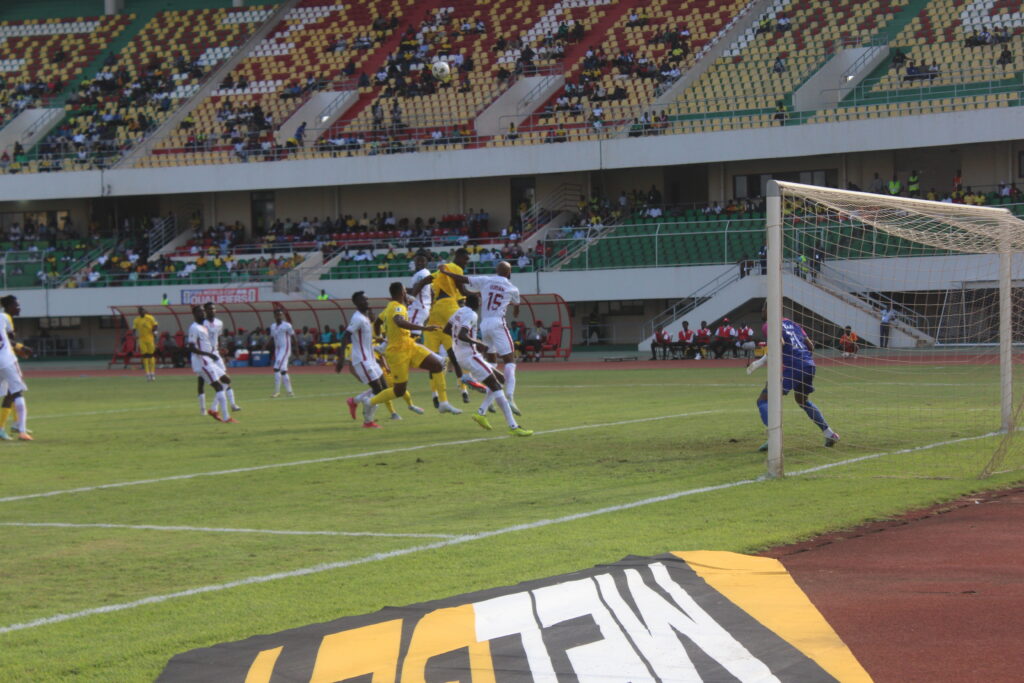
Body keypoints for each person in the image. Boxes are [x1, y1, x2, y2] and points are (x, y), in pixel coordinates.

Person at [749, 304, 839, 451]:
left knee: (763, 400)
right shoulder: (793, 324)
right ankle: (829, 433)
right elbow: (810, 346)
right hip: (809, 365)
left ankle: (774, 438)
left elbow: (780, 343)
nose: (762, 311)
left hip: (792, 367)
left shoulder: (768, 325)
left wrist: (764, 360)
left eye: (764, 308)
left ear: (769, 310)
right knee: (802, 400)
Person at [439, 260, 523, 414]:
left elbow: (463, 279)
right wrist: (515, 310)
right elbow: (517, 307)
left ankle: (487, 402)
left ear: (497, 271)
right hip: (498, 323)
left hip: (484, 324)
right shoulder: (512, 288)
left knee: (491, 363)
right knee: (510, 362)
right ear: (509, 273)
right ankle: (510, 397)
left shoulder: (486, 280)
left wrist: (446, 273)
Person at [445, 293, 532, 436]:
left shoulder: (458, 312)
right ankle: (513, 426)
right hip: (470, 356)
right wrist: (477, 343)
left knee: (501, 379)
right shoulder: (472, 315)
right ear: (477, 304)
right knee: (496, 386)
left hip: (462, 355)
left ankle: (481, 412)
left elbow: (447, 330)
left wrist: (459, 345)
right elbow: (462, 334)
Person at [366, 282, 449, 414]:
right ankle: (369, 402)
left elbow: (377, 322)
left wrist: (380, 336)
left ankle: (444, 402)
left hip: (409, 345)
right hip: (397, 351)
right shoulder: (397, 307)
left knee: (438, 365)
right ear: (401, 292)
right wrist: (424, 328)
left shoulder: (390, 307)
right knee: (399, 391)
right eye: (405, 291)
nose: (406, 293)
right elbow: (399, 321)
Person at [423, 248, 472, 412]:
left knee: (441, 361)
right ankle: (446, 392)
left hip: (436, 321)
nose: (466, 262)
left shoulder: (440, 277)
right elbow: (462, 301)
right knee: (455, 355)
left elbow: (428, 282)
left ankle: (456, 391)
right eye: (465, 259)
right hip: (441, 321)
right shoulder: (453, 275)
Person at [339, 291, 387, 428]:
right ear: (356, 303)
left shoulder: (365, 318)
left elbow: (362, 336)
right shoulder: (358, 318)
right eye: (363, 300)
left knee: (384, 390)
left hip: (371, 358)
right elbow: (345, 336)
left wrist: (377, 339)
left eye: (367, 299)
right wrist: (341, 358)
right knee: (378, 390)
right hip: (362, 359)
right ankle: (368, 421)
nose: (366, 302)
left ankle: (355, 401)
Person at [186, 305, 236, 423]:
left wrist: (216, 351)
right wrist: (208, 354)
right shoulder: (194, 328)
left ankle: (213, 409)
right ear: (194, 314)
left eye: (203, 312)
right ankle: (226, 417)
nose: (202, 314)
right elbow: (191, 347)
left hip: (209, 360)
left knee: (226, 380)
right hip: (202, 362)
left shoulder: (203, 327)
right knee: (218, 387)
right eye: (199, 312)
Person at [0, 295, 32, 440]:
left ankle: (7, 426)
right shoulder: (4, 317)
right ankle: (21, 430)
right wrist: (22, 348)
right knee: (17, 392)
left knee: (9, 393)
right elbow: (9, 339)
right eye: (16, 305)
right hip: (7, 359)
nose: (18, 308)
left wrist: (20, 348)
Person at [201, 302, 241, 414]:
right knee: (219, 381)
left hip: (216, 353)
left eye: (213, 309)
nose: (211, 311)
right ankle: (215, 407)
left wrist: (222, 348)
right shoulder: (202, 324)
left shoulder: (219, 323)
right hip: (206, 355)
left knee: (225, 379)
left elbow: (219, 336)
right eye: (209, 309)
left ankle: (231, 404)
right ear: (205, 311)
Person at [267, 308, 298, 397]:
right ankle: (290, 392)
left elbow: (293, 337)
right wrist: (264, 346)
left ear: (282, 315)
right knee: (283, 371)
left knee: (276, 368)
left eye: (280, 314)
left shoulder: (287, 325)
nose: (279, 316)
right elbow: (271, 337)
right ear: (274, 316)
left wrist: (297, 350)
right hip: (278, 350)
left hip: (285, 349)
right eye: (277, 315)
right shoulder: (272, 326)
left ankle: (276, 392)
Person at [132, 306, 159, 381]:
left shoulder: (150, 317)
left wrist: (155, 331)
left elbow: (155, 325)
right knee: (145, 356)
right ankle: (147, 373)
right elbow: (134, 329)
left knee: (151, 355)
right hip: (142, 340)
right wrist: (133, 335)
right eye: (140, 311)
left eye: (142, 310)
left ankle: (152, 373)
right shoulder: (136, 320)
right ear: (138, 312)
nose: (141, 312)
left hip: (150, 339)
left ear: (144, 311)